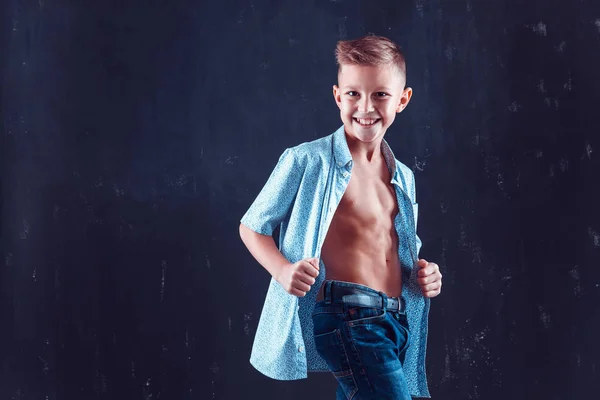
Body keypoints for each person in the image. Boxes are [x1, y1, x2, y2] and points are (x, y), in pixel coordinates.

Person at [239, 34, 443, 399]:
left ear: (403, 99)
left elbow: (397, 246)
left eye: (380, 94)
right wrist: (283, 270)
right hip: (350, 315)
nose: (365, 106)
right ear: (337, 96)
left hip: (396, 320)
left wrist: (425, 274)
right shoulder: (308, 160)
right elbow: (252, 226)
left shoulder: (404, 176)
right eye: (353, 94)